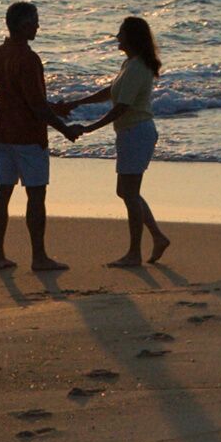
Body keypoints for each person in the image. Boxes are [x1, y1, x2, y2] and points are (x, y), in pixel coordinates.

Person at [56, 14, 171, 267]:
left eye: (121, 32)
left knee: (129, 193)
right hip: (131, 132)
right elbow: (111, 92)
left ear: (131, 37)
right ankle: (157, 237)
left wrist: (90, 128)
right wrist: (78, 102)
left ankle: (135, 253)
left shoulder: (137, 67)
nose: (117, 36)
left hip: (136, 132)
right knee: (127, 191)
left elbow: (121, 108)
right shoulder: (130, 64)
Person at [0, 1, 62, 273]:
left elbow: (17, 97)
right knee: (36, 196)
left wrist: (53, 109)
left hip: (2, 132)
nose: (38, 26)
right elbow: (36, 106)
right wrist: (66, 129)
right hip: (28, 136)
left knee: (2, 194)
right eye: (34, 21)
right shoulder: (29, 59)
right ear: (22, 25)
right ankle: (39, 257)